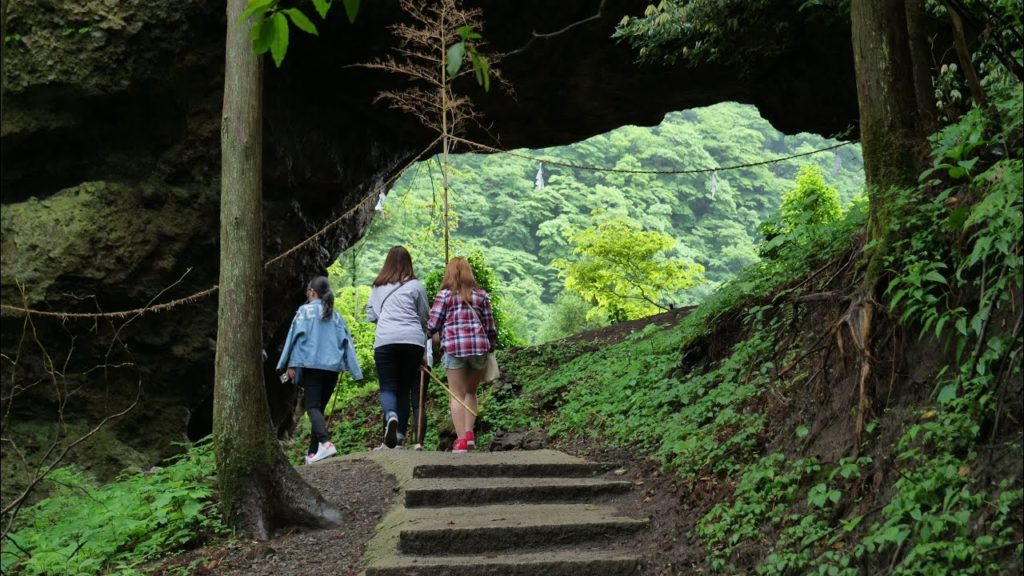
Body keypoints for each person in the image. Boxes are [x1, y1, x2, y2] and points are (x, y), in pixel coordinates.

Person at [277, 276, 362, 465]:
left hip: (312, 366)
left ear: (312, 292)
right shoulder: (336, 315)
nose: (306, 294)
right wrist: (354, 370)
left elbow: (294, 338)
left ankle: (325, 443)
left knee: (312, 407)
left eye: (307, 291)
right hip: (332, 369)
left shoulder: (304, 312)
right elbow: (347, 342)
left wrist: (287, 363)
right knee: (318, 409)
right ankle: (312, 454)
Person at [427, 257, 497, 453]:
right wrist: (490, 346)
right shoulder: (481, 296)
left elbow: (433, 325)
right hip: (479, 349)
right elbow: (490, 327)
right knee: (471, 392)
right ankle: (469, 433)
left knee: (456, 395)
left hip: (455, 349)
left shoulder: (445, 296)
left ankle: (461, 441)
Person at [366, 246, 430, 450]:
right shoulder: (416, 286)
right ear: (408, 263)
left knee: (388, 386)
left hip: (386, 339)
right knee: (403, 388)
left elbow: (372, 315)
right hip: (412, 340)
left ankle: (391, 415)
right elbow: (424, 317)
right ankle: (400, 436)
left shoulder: (377, 287)